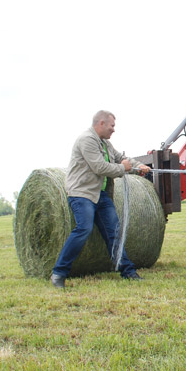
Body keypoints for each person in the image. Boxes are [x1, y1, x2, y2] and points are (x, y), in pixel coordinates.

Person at [51, 110, 150, 288]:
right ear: (101, 123)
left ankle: (127, 271)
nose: (114, 130)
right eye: (112, 126)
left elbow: (122, 158)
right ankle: (59, 273)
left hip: (101, 195)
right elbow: (99, 167)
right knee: (84, 229)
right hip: (82, 194)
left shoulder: (105, 144)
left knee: (114, 232)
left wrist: (138, 166)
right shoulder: (86, 140)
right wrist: (123, 168)